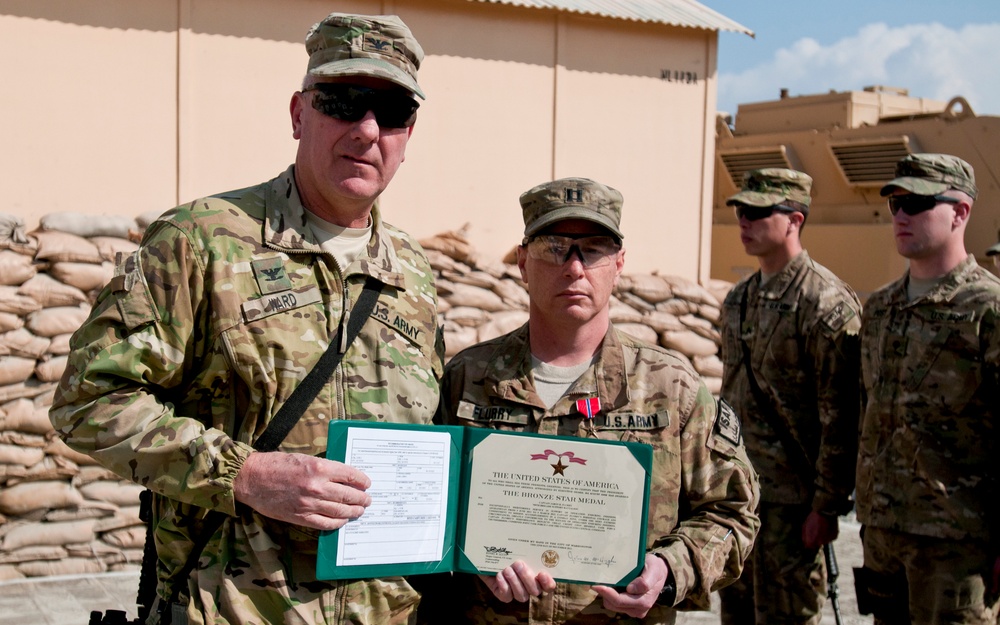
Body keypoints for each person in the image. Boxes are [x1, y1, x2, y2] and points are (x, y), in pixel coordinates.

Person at [49, 12, 443, 625]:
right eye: (342, 101)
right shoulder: (202, 240)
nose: (366, 130)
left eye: (390, 111)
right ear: (298, 114)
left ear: (408, 134)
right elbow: (87, 400)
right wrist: (246, 474)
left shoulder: (411, 273)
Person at [421, 177, 760, 624]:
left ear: (619, 263)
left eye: (594, 249)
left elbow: (733, 511)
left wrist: (667, 569)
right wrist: (467, 557)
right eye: (554, 247)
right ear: (523, 261)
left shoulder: (669, 386)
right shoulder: (467, 379)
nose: (575, 268)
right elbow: (425, 508)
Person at [855, 153, 1000, 624]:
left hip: (957, 545)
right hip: (883, 535)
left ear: (961, 212)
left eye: (917, 203)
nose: (900, 215)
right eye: (896, 203)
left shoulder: (987, 309)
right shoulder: (879, 309)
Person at [717, 168, 862, 625]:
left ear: (794, 219)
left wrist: (826, 505)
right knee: (736, 614)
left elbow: (841, 415)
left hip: (793, 507)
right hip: (737, 498)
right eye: (741, 211)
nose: (745, 221)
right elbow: (728, 397)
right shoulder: (738, 299)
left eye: (758, 212)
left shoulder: (825, 302)